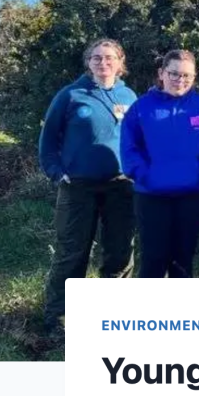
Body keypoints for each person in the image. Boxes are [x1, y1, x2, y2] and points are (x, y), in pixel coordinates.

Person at [38, 39, 138, 335]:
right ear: (88, 62)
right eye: (96, 57)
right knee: (72, 253)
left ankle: (111, 319)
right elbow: (48, 141)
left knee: (119, 253)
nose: (103, 62)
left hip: (121, 187)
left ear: (120, 62)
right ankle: (58, 319)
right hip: (78, 187)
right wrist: (57, 173)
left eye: (109, 58)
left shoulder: (129, 95)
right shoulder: (70, 95)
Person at [121, 50, 199, 278]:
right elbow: (129, 147)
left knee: (183, 259)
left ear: (194, 77)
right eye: (174, 74)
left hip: (193, 194)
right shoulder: (141, 107)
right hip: (151, 195)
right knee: (153, 259)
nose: (180, 80)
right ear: (162, 73)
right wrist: (143, 174)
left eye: (187, 76)